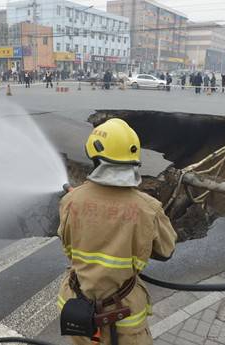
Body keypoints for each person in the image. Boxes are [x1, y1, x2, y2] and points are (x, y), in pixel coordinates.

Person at [57, 118, 177, 345]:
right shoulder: (147, 208)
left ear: (95, 156)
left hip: (77, 308)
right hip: (124, 317)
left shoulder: (71, 201)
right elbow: (166, 251)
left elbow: (68, 243)